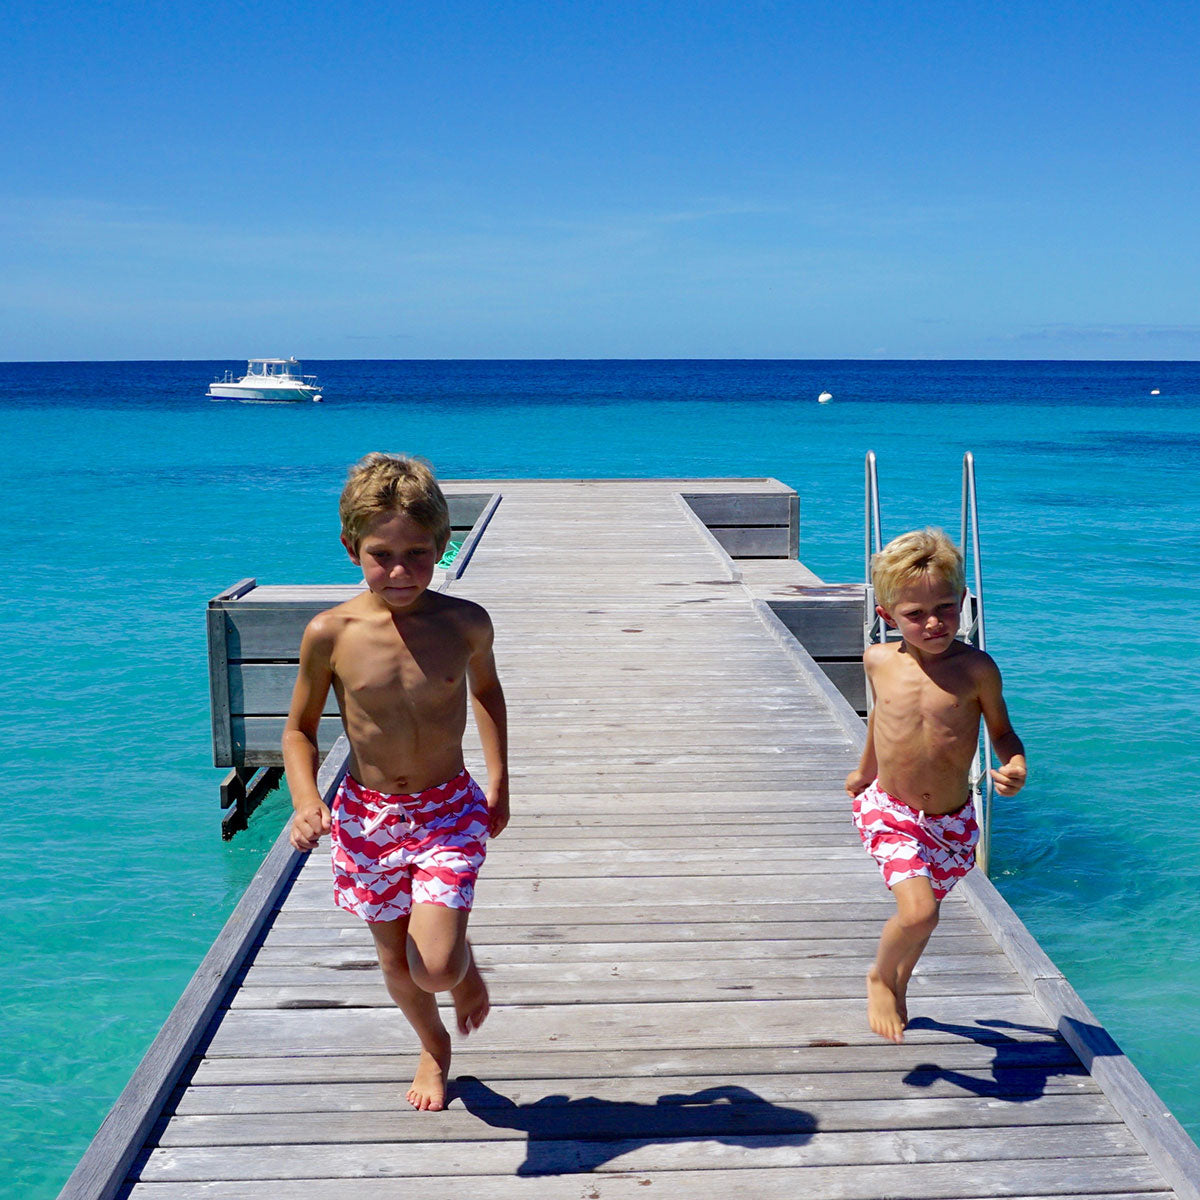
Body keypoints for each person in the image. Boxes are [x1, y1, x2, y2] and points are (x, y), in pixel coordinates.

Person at [283, 453, 509, 1110]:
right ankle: (433, 1048)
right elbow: (299, 729)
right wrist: (304, 802)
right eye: (382, 554)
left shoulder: (464, 622)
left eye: (418, 552)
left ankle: (461, 978)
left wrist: (499, 777)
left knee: (433, 964)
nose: (402, 570)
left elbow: (488, 694)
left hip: (447, 810)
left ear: (443, 545)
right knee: (395, 961)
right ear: (352, 548)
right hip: (366, 817)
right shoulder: (331, 632)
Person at [845, 528, 1026, 1043]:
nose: (933, 623)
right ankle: (880, 976)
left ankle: (900, 983)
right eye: (915, 614)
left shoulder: (976, 669)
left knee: (927, 917)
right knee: (918, 912)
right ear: (887, 616)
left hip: (950, 822)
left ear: (964, 602)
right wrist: (864, 772)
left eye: (946, 608)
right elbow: (882, 720)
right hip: (891, 811)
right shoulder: (879, 660)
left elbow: (1003, 732)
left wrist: (1014, 765)